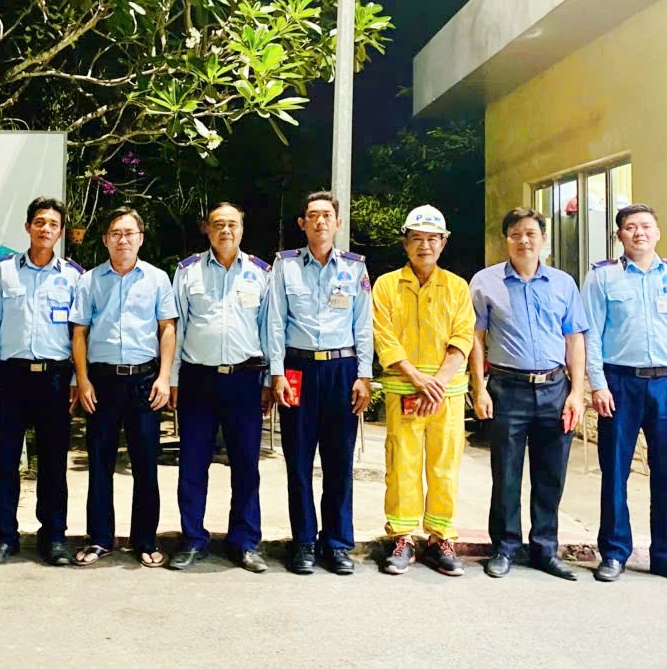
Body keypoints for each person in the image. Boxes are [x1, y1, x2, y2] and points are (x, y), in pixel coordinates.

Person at [582, 202, 667, 585]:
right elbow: (590, 335)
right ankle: (614, 552)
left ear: (657, 233)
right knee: (615, 472)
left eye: (646, 226)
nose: (639, 233)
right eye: (630, 227)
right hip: (619, 384)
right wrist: (597, 383)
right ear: (619, 235)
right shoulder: (602, 278)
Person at [469, 208, 588, 581]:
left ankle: (544, 549)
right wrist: (479, 387)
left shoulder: (563, 284)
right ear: (506, 239)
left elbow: (574, 338)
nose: (524, 241)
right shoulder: (486, 282)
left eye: (531, 234)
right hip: (508, 389)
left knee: (550, 475)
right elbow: (476, 338)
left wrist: (577, 392)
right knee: (506, 474)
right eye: (516, 234)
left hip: (555, 389)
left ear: (543, 239)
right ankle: (505, 547)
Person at [267, 191, 373, 576]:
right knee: (298, 461)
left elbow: (364, 324)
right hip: (298, 369)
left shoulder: (355, 268)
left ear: (338, 223)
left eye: (327, 215)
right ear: (302, 223)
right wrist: (276, 372)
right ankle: (304, 543)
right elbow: (275, 321)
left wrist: (364, 375)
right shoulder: (285, 265)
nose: (320, 221)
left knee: (339, 462)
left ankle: (338, 543)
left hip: (342, 370)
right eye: (312, 215)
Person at [0, 197, 83, 568]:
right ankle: (4, 538)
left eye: (53, 224)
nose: (45, 229)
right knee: (4, 462)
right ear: (27, 227)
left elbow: (79, 333)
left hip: (55, 379)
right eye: (39, 222)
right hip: (11, 378)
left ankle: (53, 537)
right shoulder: (4, 272)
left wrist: (77, 378)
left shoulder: (73, 276)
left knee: (53, 463)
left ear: (60, 232)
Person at [371, 205, 475, 577]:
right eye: (417, 238)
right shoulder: (386, 285)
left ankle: (440, 537)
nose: (424, 246)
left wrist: (438, 382)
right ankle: (402, 537)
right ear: (405, 242)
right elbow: (384, 336)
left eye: (432, 239)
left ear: (443, 243)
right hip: (404, 390)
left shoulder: (457, 287)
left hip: (446, 394)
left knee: (444, 466)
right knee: (402, 465)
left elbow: (463, 337)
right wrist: (418, 379)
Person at [70, 207, 177, 568]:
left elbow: (167, 328)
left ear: (140, 238)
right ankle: (101, 538)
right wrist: (82, 379)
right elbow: (79, 333)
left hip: (145, 381)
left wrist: (164, 377)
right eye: (115, 233)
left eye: (129, 233)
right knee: (100, 462)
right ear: (105, 240)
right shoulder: (89, 281)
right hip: (101, 382)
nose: (123, 240)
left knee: (145, 463)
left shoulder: (157, 279)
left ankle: (145, 540)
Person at [169, 203, 273, 574]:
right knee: (192, 464)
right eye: (218, 224)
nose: (225, 230)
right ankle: (192, 540)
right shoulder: (187, 272)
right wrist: (173, 378)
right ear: (207, 230)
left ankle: (245, 542)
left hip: (245, 380)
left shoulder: (261, 273)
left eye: (232, 224)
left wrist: (269, 379)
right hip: (197, 379)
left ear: (242, 229)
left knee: (245, 465)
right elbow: (176, 327)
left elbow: (268, 329)